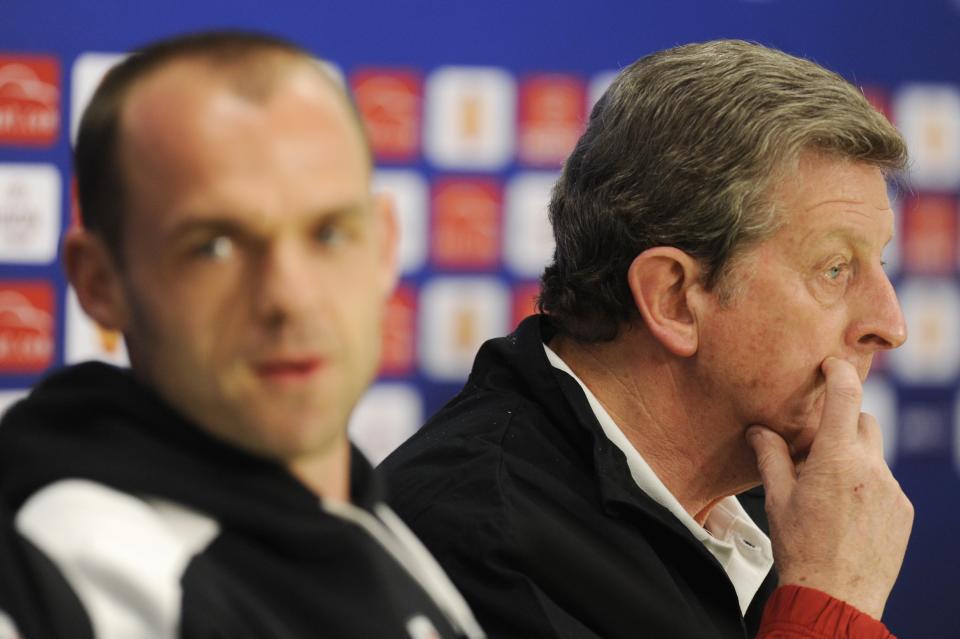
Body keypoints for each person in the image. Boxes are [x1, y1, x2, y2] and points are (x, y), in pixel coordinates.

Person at [380, 40, 913, 639]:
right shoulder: (481, 540)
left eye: (880, 266)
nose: (890, 326)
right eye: (835, 269)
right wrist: (828, 607)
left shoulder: (786, 510)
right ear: (673, 299)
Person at [0, 31, 484, 639]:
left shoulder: (356, 512)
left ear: (384, 245)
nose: (290, 296)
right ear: (99, 282)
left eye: (329, 233)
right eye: (215, 247)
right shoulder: (71, 575)